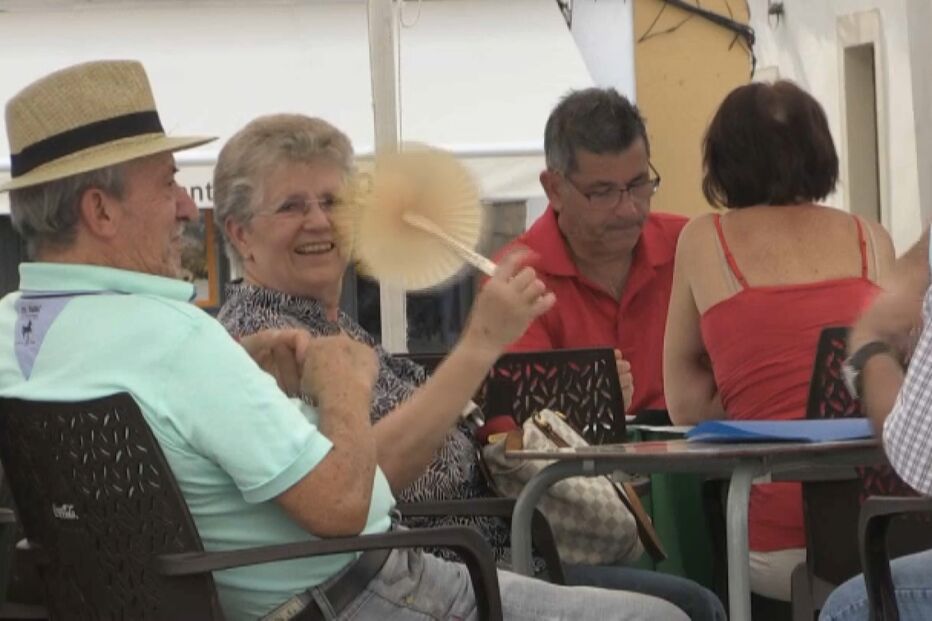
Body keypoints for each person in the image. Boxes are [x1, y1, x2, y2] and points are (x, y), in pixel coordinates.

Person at [0, 60, 691, 621]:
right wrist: (342, 391)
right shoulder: (173, 336)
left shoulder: (16, 330)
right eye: (169, 185)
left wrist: (248, 371)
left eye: (332, 202)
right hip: (346, 589)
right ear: (99, 209)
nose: (186, 206)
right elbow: (339, 508)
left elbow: (166, 432)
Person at [213, 113, 725, 621]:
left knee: (689, 599)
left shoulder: (333, 324)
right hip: (438, 571)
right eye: (291, 207)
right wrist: (480, 341)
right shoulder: (269, 343)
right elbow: (360, 481)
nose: (320, 221)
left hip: (491, 549)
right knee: (687, 607)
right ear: (240, 233)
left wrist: (584, 392)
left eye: (332, 201)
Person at [663, 80, 895, 606]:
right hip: (891, 528)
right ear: (822, 152)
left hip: (776, 546)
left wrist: (764, 401)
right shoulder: (871, 238)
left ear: (722, 160)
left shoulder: (704, 241)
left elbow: (683, 402)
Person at [495, 87, 687, 416]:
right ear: (554, 189)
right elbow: (513, 432)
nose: (628, 209)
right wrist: (589, 403)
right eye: (602, 193)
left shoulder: (688, 245)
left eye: (640, 185)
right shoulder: (515, 279)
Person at [817, 232, 932, 620]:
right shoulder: (870, 238)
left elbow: (919, 452)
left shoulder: (699, 244)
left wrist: (870, 348)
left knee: (846, 609)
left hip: (811, 527)